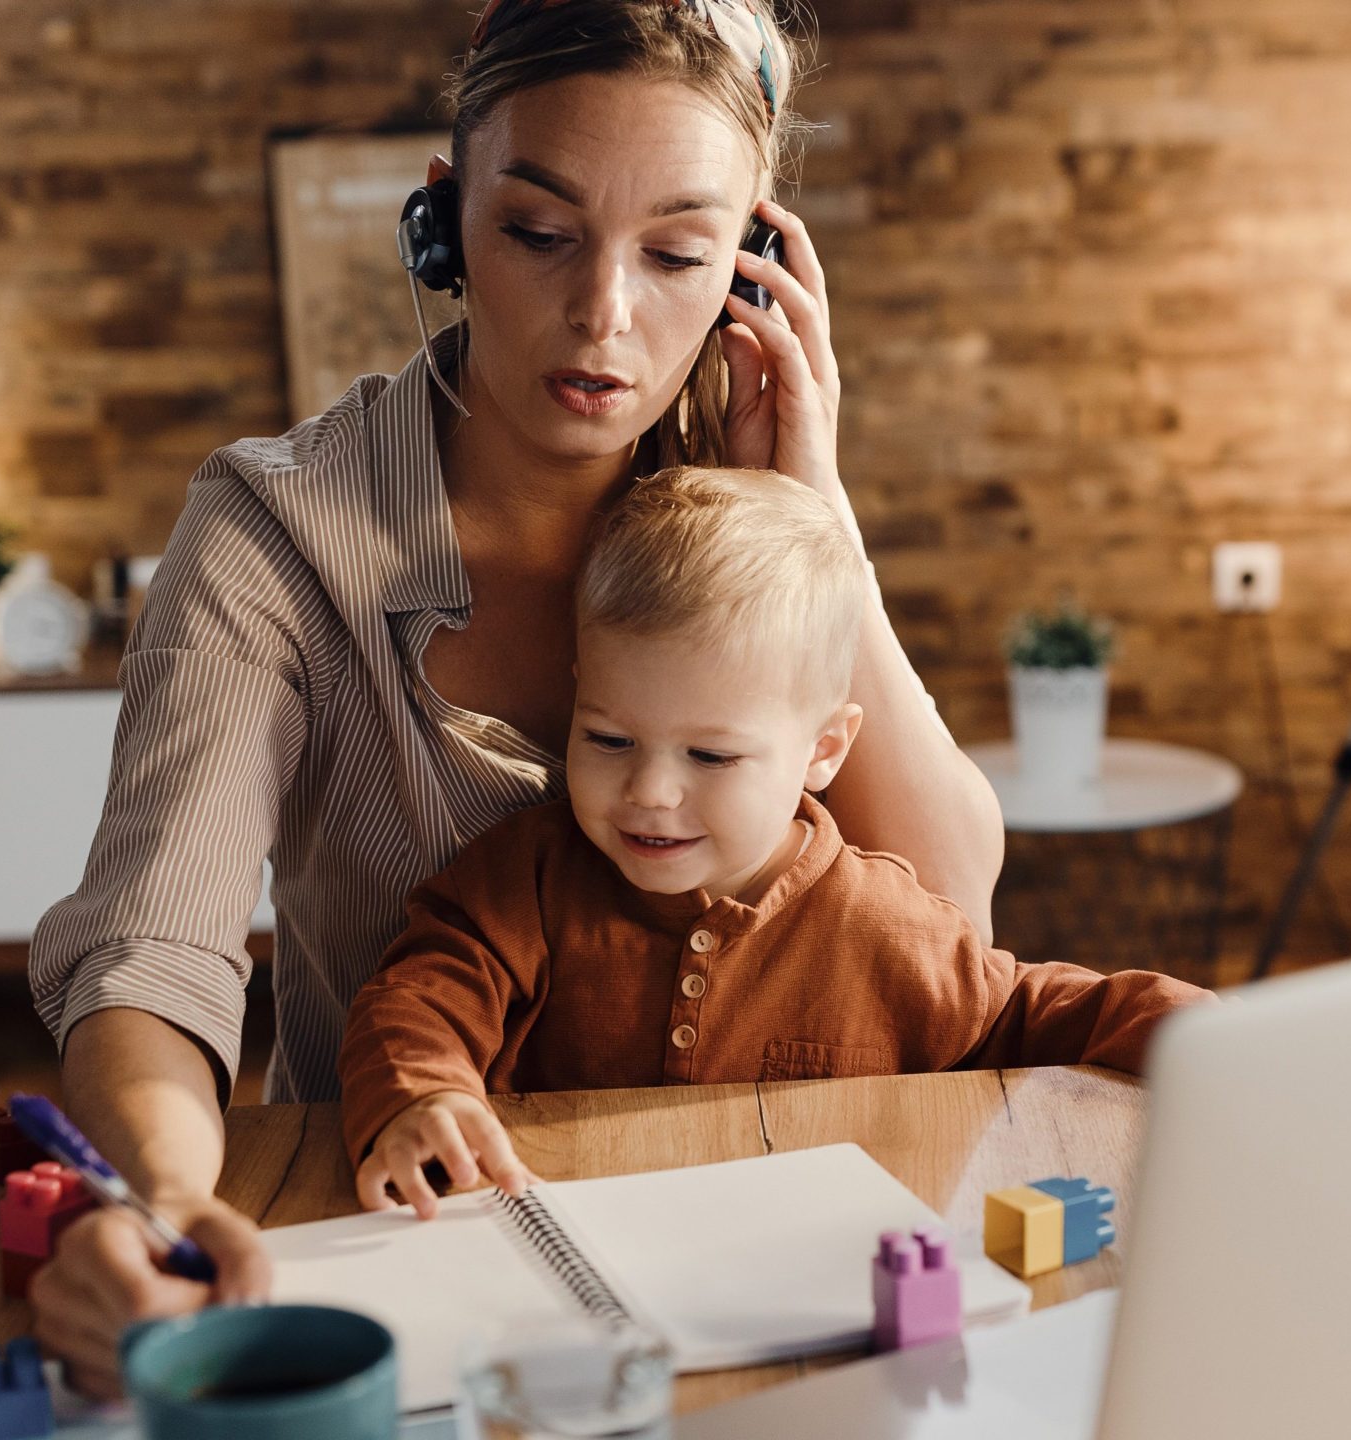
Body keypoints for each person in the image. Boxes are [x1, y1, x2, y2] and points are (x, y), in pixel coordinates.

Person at [22, 0, 1006, 1398]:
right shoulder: (272, 534)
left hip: (757, 1251)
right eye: (540, 233)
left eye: (676, 251)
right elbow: (153, 952)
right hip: (401, 1244)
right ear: (446, 223)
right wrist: (168, 1197)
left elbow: (950, 901)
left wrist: (816, 505)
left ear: (751, 266)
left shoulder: (750, 520)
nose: (605, 314)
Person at [340, 468, 1211, 1216]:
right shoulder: (524, 879)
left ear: (824, 749)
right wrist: (425, 1097)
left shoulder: (886, 927)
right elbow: (415, 998)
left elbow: (1033, 1014)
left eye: (710, 754)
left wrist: (1216, 1045)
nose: (649, 791)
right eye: (608, 738)